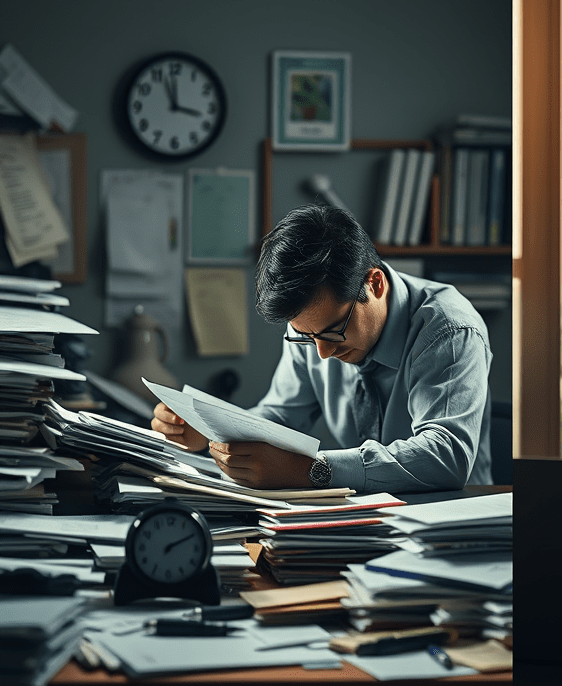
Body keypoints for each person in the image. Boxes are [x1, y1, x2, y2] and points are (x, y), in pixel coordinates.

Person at [151, 204, 493, 493]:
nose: (322, 354)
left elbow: (445, 456)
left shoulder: (448, 329)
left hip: (451, 525)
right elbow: (281, 417)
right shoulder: (314, 327)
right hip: (362, 519)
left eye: (333, 332)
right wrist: (210, 430)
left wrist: (311, 470)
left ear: (374, 283)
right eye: (305, 336)